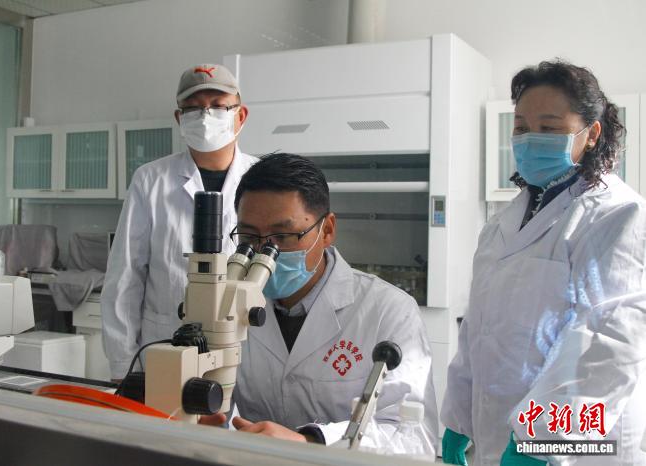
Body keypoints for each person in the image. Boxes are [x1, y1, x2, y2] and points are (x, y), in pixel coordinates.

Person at [441, 60, 646, 466]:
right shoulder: (500, 224)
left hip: (572, 445)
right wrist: (458, 418)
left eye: (549, 128)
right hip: (495, 436)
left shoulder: (619, 215)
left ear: (592, 134)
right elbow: (478, 330)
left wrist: (543, 441)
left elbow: (609, 344)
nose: (530, 140)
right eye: (521, 127)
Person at [201, 153, 438, 452]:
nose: (264, 252)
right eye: (249, 236)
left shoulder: (389, 311)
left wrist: (311, 441)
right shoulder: (226, 302)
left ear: (326, 231)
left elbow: (416, 439)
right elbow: (213, 407)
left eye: (283, 236)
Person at [102, 64, 255, 381]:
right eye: (193, 108)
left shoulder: (262, 180)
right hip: (165, 347)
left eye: (218, 106)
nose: (205, 117)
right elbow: (125, 277)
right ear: (179, 118)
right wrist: (122, 366)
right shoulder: (150, 180)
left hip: (245, 354)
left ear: (240, 115)